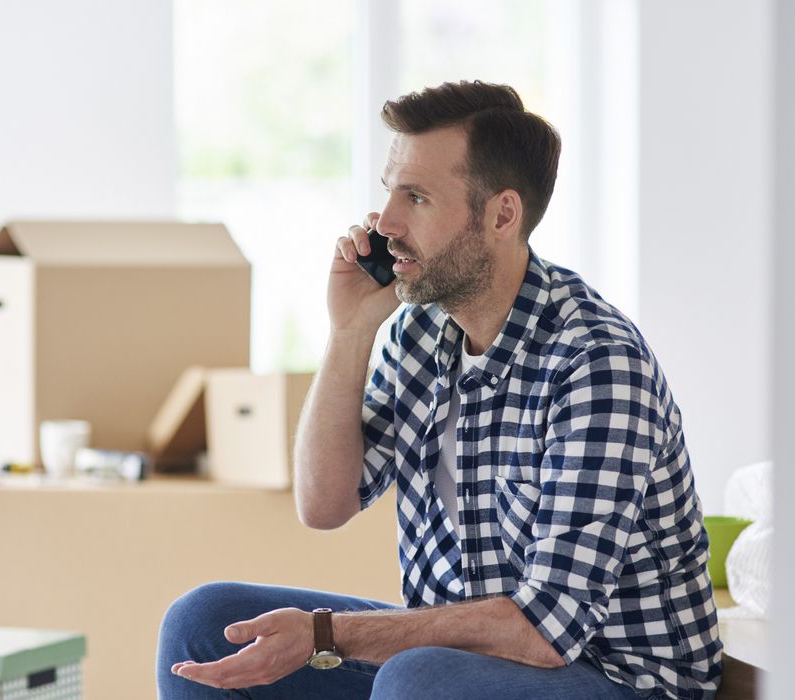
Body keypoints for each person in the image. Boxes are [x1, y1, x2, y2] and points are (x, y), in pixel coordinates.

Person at [157, 80, 721, 700]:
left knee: (418, 678)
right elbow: (323, 504)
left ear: (501, 215)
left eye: (418, 197)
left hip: (613, 679)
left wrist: (325, 635)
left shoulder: (595, 363)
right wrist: (350, 332)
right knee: (204, 624)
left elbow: (544, 632)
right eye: (389, 192)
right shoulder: (419, 332)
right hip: (459, 667)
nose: (386, 222)